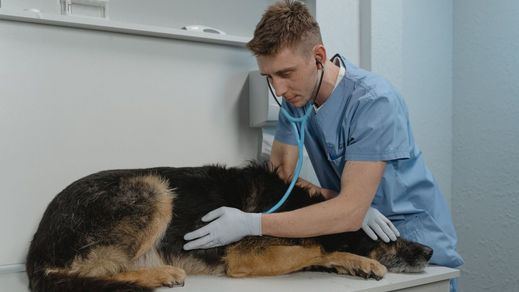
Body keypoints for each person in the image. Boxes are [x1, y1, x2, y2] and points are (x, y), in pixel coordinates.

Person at [183, 0, 463, 290]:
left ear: (318, 57)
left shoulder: (374, 102)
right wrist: (333, 198)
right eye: (270, 77)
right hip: (354, 236)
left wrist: (251, 224)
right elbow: (279, 176)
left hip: (411, 243)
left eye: (286, 73)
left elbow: (350, 213)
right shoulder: (296, 102)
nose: (278, 90)